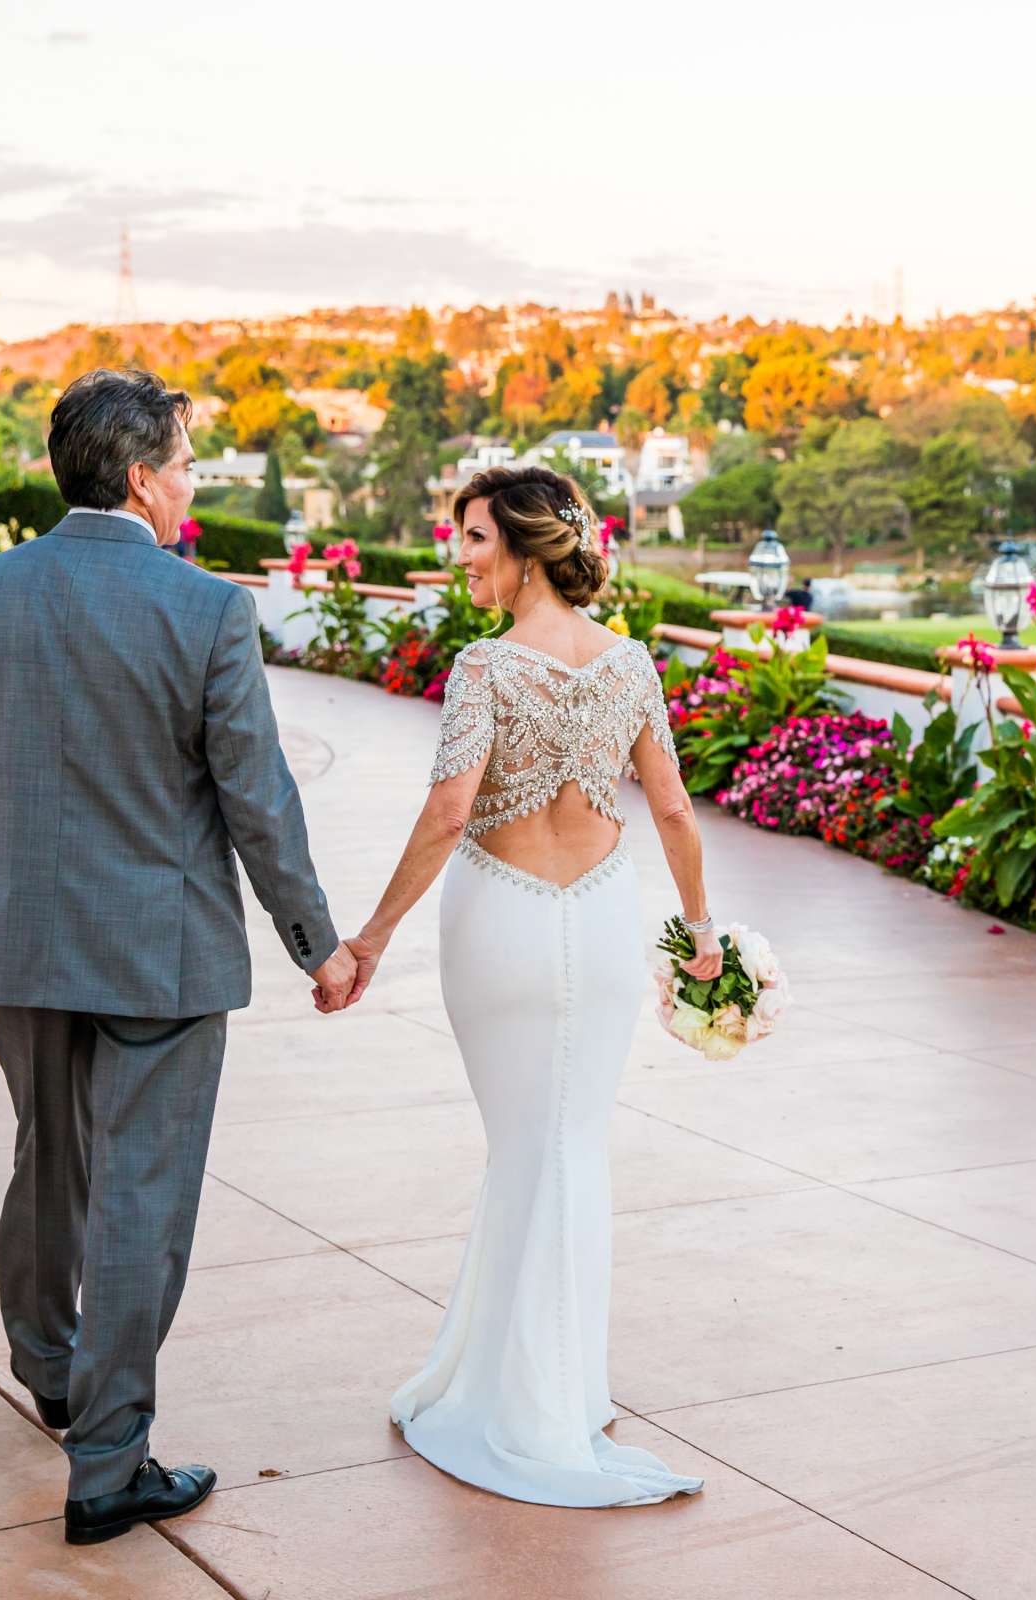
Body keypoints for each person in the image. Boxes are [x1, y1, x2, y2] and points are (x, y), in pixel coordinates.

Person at [0, 368, 360, 1545]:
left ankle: (49, 1366)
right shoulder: (207, 608)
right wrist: (316, 942)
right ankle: (108, 1464)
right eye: (182, 464)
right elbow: (257, 799)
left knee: (47, 1161)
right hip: (161, 960)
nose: (189, 487)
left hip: (18, 945)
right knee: (141, 1198)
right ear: (137, 477)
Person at [340, 464, 720, 1506]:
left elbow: (449, 811)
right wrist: (701, 932)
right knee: (574, 1142)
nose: (460, 558)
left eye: (472, 539)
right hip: (598, 919)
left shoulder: (484, 666)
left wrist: (372, 934)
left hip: (501, 919)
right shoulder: (631, 661)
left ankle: (523, 1399)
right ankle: (562, 1387)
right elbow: (677, 811)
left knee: (524, 1144)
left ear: (520, 546)